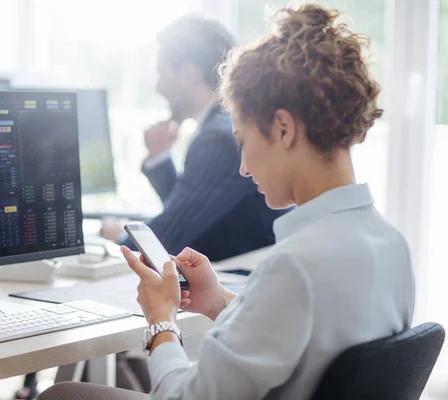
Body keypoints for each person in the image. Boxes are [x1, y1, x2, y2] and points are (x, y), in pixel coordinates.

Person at [39, 3, 415, 400]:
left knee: (61, 395)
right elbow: (301, 336)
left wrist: (161, 323)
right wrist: (217, 300)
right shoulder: (392, 245)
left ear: (283, 129)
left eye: (243, 142)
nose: (244, 169)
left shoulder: (294, 267)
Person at [100, 14, 288, 262]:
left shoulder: (219, 137)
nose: (158, 87)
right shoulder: (222, 125)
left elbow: (170, 236)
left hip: (236, 274)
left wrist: (120, 238)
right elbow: (190, 212)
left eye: (162, 73)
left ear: (188, 74)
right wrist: (159, 158)